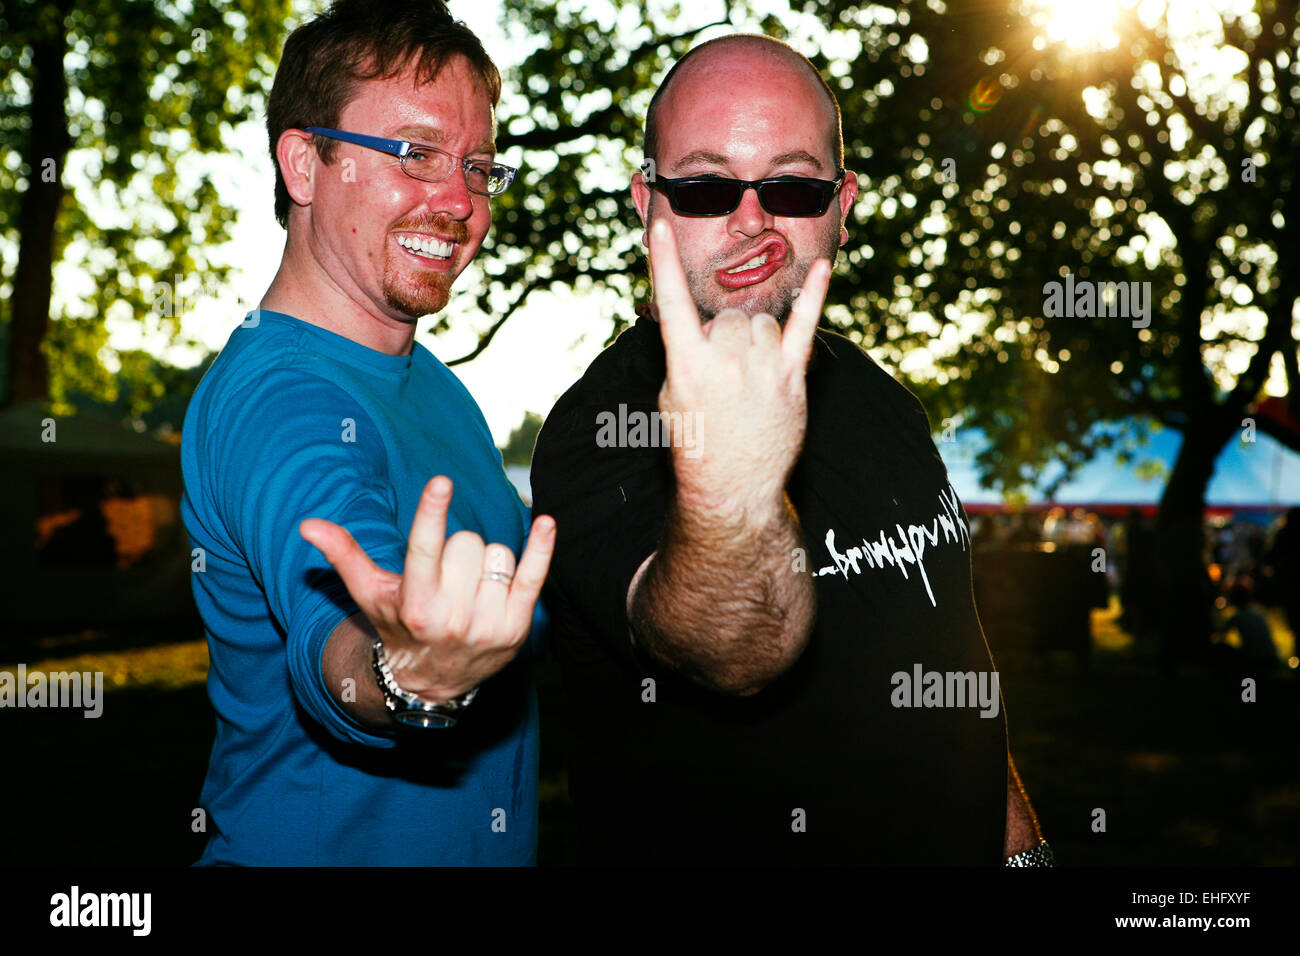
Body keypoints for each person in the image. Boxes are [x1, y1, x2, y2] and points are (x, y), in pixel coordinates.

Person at [531, 34, 1049, 864]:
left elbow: (954, 656)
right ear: (647, 204)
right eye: (703, 186)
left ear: (842, 205)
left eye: (792, 184)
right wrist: (732, 494)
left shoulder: (886, 405)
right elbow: (732, 657)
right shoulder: (601, 427)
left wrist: (1024, 850)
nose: (751, 218)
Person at [180, 0, 553, 865]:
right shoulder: (275, 400)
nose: (459, 201)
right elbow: (341, 632)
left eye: (478, 166)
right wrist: (405, 672)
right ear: (305, 164)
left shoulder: (441, 392)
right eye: (415, 154)